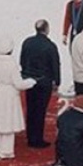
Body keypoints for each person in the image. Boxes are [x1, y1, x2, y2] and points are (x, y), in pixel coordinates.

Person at [0, 35, 36, 159]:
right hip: (9, 94)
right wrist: (31, 82)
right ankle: (6, 150)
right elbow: (18, 84)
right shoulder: (12, 64)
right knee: (8, 122)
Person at [20, 19, 61, 148]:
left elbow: (22, 60)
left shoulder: (27, 42)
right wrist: (57, 81)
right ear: (46, 29)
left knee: (31, 109)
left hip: (29, 80)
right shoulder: (50, 46)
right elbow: (55, 65)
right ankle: (37, 138)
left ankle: (30, 136)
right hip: (44, 82)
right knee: (40, 110)